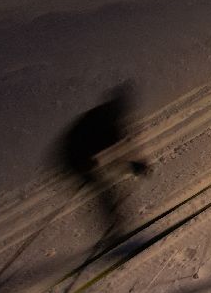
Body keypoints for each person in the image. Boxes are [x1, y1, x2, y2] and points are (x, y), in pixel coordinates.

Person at [58, 83, 150, 245]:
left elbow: (115, 152)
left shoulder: (105, 116)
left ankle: (114, 228)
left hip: (79, 156)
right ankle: (114, 233)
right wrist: (132, 166)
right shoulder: (107, 124)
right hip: (74, 159)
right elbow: (112, 160)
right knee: (105, 192)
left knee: (105, 189)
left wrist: (132, 163)